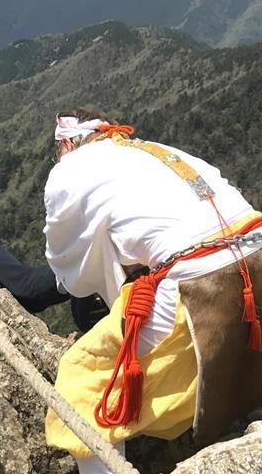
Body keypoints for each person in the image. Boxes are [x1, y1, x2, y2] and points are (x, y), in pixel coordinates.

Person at [43, 109, 262, 473]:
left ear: (66, 143)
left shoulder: (68, 169)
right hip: (258, 250)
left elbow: (69, 264)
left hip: (201, 280)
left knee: (82, 381)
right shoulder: (153, 148)